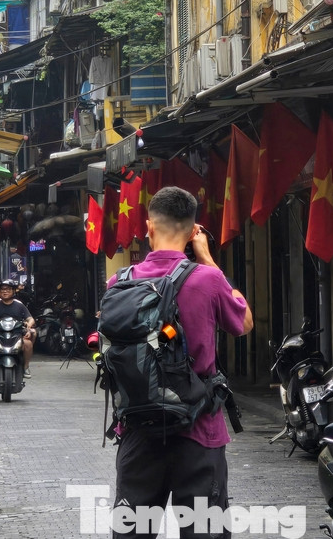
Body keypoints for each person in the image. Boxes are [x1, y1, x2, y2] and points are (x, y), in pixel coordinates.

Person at [108, 186, 253, 538]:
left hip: (138, 430)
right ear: (192, 232)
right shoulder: (208, 279)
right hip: (198, 430)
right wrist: (207, 258)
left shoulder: (119, 282)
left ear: (148, 227)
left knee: (132, 533)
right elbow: (244, 322)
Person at [0, 280, 36, 378]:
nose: (5, 291)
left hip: (17, 334)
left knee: (28, 344)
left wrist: (29, 325)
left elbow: (30, 318)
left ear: (13, 291)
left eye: (8, 289)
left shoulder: (19, 305)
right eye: (2, 289)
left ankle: (26, 367)